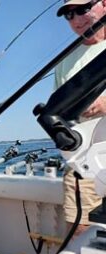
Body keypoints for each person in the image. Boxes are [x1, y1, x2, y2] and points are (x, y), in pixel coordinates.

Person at [55, 0, 106, 236]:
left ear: (103, 4)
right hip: (86, 163)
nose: (76, 19)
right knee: (80, 232)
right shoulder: (65, 61)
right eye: (69, 14)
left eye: (83, 9)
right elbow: (59, 112)